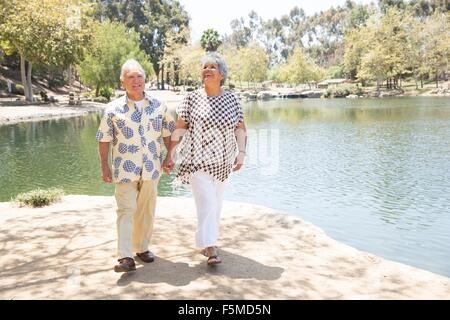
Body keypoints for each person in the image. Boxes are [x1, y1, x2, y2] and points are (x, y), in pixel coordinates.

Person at [163, 52, 247, 265]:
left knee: (216, 204)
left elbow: (240, 129)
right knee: (207, 202)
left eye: (212, 67)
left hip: (223, 161)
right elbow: (179, 128)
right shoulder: (192, 98)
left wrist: (241, 152)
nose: (207, 70)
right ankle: (211, 248)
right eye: (205, 67)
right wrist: (170, 154)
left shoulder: (232, 99)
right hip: (196, 160)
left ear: (221, 75)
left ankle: (207, 240)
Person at [96, 59, 175, 272]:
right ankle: (125, 257)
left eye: (139, 76)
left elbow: (168, 133)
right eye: (130, 77)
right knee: (126, 210)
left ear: (145, 80)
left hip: (151, 167)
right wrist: (105, 166)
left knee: (146, 210)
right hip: (124, 169)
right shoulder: (112, 109)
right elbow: (103, 139)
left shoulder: (159, 106)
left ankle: (141, 248)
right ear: (123, 82)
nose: (136, 80)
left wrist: (170, 157)